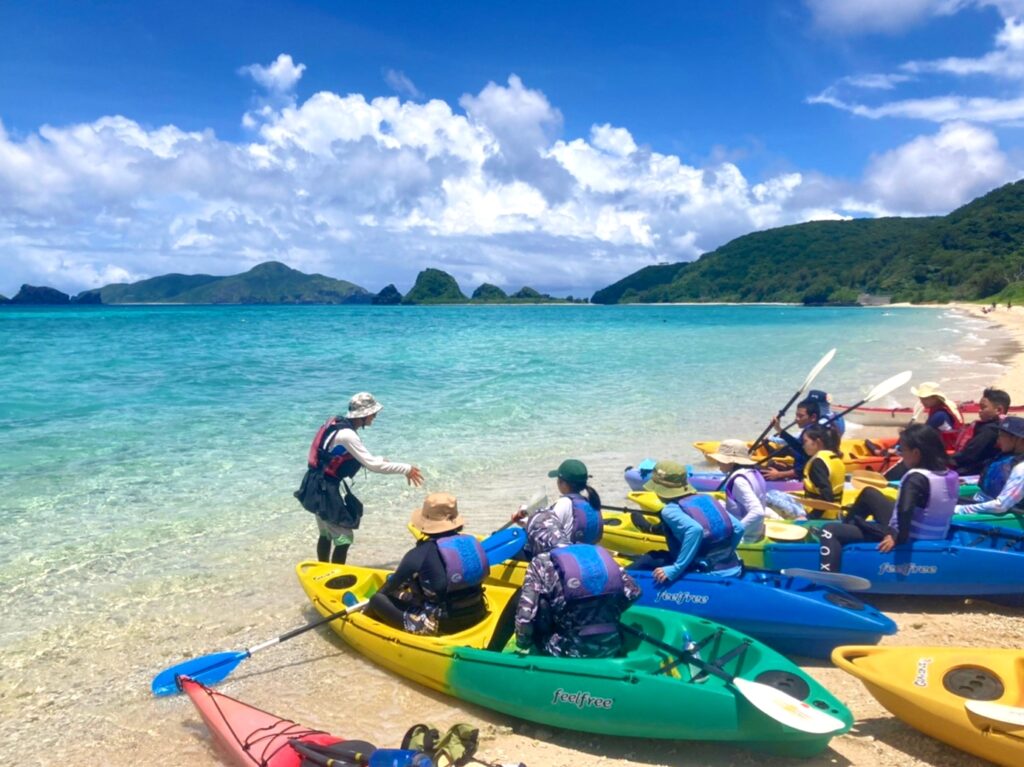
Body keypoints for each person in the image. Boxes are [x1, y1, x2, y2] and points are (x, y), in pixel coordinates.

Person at [295, 392, 424, 564]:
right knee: (344, 538)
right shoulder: (348, 435)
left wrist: (377, 459)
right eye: (373, 414)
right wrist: (405, 468)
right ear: (363, 415)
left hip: (315, 483)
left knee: (326, 533)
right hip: (326, 489)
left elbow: (337, 456)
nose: (375, 417)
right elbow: (373, 466)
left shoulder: (336, 425)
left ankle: (322, 569)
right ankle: (335, 576)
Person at [818, 424, 957, 572]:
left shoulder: (915, 478)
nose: (900, 455)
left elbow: (905, 509)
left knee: (829, 529)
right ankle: (847, 529)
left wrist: (895, 536)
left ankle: (829, 577)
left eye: (902, 450)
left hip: (912, 535)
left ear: (916, 453)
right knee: (869, 493)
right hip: (935, 532)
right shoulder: (948, 473)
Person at [367, 492, 487, 636]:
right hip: (478, 611)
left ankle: (364, 619)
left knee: (377, 599)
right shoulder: (471, 543)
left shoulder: (418, 554)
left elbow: (387, 590)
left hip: (443, 625)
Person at [514, 543, 640, 658]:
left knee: (540, 606)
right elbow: (635, 592)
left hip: (567, 651)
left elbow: (525, 617)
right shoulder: (598, 554)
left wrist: (523, 644)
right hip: (612, 646)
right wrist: (611, 613)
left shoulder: (539, 563)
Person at [628, 460, 744, 582]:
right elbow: (739, 527)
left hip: (704, 571)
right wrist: (727, 554)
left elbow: (694, 530)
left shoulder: (670, 510)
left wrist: (676, 569)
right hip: (733, 567)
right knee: (659, 555)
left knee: (649, 559)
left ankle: (619, 584)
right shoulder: (707, 499)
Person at [512, 458, 603, 556]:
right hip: (585, 552)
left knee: (512, 549)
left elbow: (545, 532)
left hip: (565, 557)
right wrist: (526, 521)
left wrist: (526, 521)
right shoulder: (591, 502)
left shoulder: (563, 503)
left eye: (558, 480)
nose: (557, 482)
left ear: (564, 483)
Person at [707, 439, 774, 542]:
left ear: (732, 461)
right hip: (756, 531)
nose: (717, 463)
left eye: (720, 460)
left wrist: (735, 533)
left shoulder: (739, 481)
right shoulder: (754, 472)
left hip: (745, 537)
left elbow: (758, 512)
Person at [956, 416, 1024, 515]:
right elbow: (996, 478)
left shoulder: (1021, 469)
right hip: (980, 501)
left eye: (1002, 436)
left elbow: (1000, 506)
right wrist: (968, 481)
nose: (998, 440)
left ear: (1018, 439)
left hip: (997, 514)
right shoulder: (1006, 457)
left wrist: (959, 510)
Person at [763, 397, 838, 482]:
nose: (797, 419)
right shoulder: (810, 431)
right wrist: (779, 429)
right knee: (771, 465)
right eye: (796, 415)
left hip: (805, 478)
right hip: (800, 471)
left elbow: (803, 468)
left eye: (801, 416)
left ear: (813, 417)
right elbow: (798, 446)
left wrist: (778, 474)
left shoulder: (812, 438)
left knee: (764, 473)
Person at [950, 388, 1010, 476]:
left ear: (998, 410)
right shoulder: (1004, 424)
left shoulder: (990, 430)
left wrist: (943, 458)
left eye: (983, 408)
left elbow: (968, 455)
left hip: (977, 470)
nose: (979, 411)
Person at [910, 382, 964, 451]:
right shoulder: (940, 410)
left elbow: (922, 434)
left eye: (924, 398)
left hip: (948, 450)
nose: (921, 401)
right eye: (920, 398)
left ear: (935, 398)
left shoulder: (939, 415)